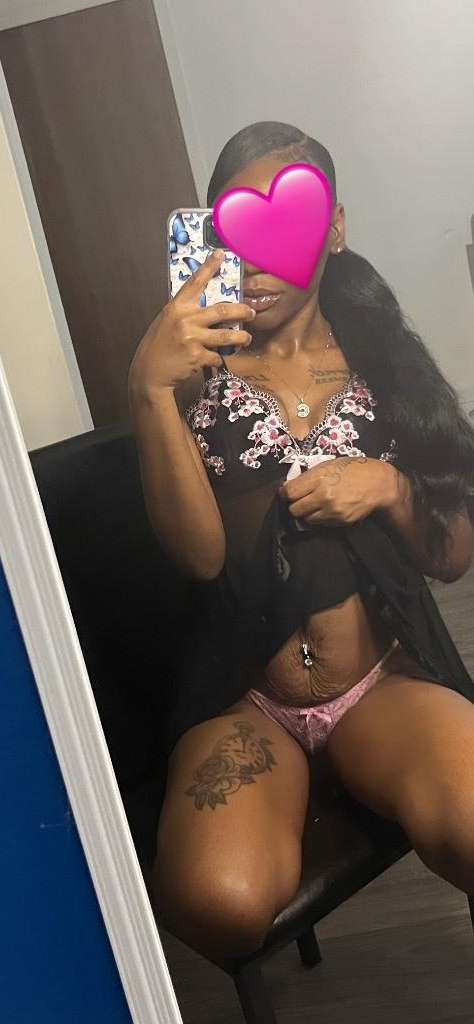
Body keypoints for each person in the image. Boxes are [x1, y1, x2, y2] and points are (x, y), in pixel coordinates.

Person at [127, 122, 474, 967]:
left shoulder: (385, 362)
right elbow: (200, 558)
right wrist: (149, 392)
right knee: (219, 902)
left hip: (378, 685)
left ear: (335, 225)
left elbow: (453, 554)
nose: (258, 258)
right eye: (237, 229)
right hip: (247, 697)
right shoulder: (194, 369)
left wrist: (389, 487)